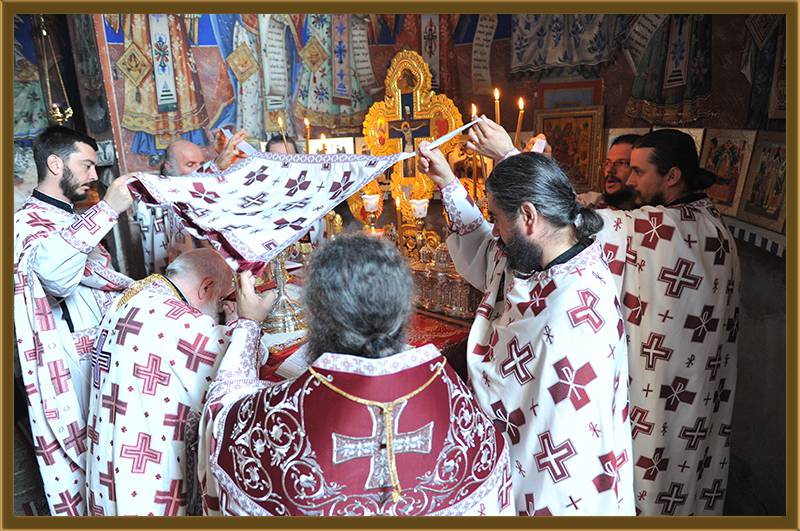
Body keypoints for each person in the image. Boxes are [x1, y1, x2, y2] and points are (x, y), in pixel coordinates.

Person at [467, 121, 740, 515]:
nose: (628, 178)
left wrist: (511, 158)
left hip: (667, 386)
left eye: (638, 170)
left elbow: (560, 226)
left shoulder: (663, 230)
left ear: (672, 176)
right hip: (694, 380)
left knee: (662, 475)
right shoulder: (711, 224)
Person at [198, 235, 514, 516]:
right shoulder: (456, 401)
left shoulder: (280, 416)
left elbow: (222, 412)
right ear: (404, 312)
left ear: (316, 318)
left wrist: (248, 325)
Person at [417, 141, 634, 515]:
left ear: (529, 216)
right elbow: (490, 255)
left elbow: (517, 400)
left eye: (497, 219)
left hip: (559, 478)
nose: (495, 231)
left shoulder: (574, 303)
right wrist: (448, 183)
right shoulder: (554, 254)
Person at [13, 125, 135, 515]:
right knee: (87, 468)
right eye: (86, 165)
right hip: (68, 367)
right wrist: (108, 209)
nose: (94, 175)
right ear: (55, 164)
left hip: (97, 355)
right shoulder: (26, 222)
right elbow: (57, 276)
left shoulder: (67, 217)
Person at [84, 248, 256, 516]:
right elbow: (231, 369)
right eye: (221, 300)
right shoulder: (178, 320)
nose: (220, 310)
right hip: (146, 471)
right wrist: (246, 321)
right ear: (206, 288)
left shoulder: (140, 293)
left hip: (111, 454)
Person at [137, 130, 248, 273]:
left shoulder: (203, 193)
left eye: (201, 164)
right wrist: (216, 165)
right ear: (168, 166)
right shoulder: (155, 196)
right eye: (190, 164)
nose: (198, 169)